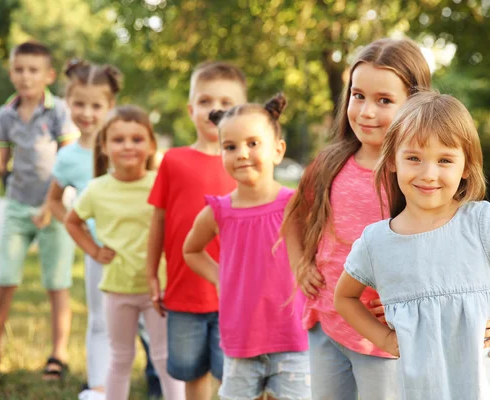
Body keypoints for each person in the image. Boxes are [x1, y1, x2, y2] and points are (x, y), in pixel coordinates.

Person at [334, 91, 490, 400]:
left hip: (488, 388)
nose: (428, 173)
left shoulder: (482, 224)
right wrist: (384, 339)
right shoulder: (376, 242)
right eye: (413, 158)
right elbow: (344, 298)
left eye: (445, 160)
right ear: (393, 159)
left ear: (465, 167)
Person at [281, 37, 431, 399]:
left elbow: (437, 249)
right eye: (358, 95)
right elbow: (293, 217)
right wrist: (300, 264)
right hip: (327, 324)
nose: (365, 112)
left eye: (384, 101)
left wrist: (409, 294)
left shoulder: (416, 176)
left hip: (382, 339)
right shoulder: (330, 163)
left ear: (414, 104)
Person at [33, 59, 160, 400]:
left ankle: (158, 379)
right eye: (79, 104)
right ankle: (100, 387)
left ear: (111, 106)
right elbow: (56, 203)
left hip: (144, 251)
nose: (87, 113)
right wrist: (89, 243)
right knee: (101, 321)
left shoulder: (129, 144)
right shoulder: (69, 157)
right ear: (67, 104)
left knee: (152, 321)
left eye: (96, 105)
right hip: (102, 254)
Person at [182, 93, 310, 400]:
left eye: (253, 143)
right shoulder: (218, 211)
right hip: (241, 342)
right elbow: (191, 250)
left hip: (294, 340)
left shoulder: (296, 205)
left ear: (278, 150)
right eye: (231, 146)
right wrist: (220, 277)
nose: (242, 153)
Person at [64, 105, 185, 400]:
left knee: (164, 357)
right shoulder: (96, 189)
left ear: (152, 145)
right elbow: (72, 221)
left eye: (137, 139)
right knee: (120, 358)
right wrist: (94, 250)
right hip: (117, 290)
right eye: (119, 140)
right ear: (104, 146)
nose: (128, 146)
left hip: (158, 289)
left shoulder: (161, 184)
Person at [146, 61, 246, 400]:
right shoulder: (173, 161)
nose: (215, 110)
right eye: (205, 101)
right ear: (191, 109)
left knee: (233, 373)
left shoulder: (245, 165)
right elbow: (158, 222)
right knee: (192, 372)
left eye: (225, 103)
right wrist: (151, 274)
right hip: (184, 289)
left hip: (235, 292)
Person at [0, 41, 79, 381]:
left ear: (48, 75)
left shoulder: (58, 111)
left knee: (57, 284)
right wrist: (1, 167)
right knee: (4, 281)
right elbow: (1, 161)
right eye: (19, 69)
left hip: (55, 208)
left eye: (33, 70)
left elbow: (69, 159)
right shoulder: (4, 114)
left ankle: (58, 356)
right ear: (11, 72)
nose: (25, 76)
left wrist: (49, 205)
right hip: (17, 205)